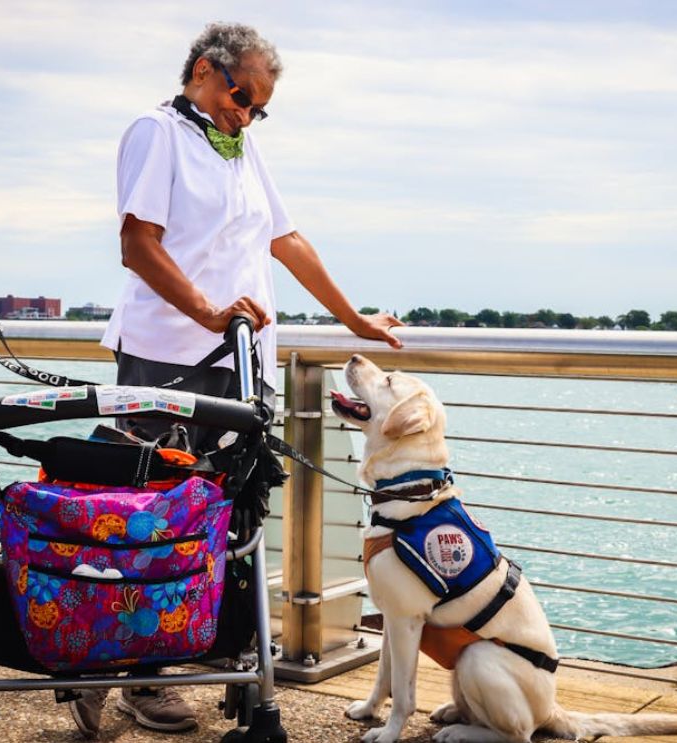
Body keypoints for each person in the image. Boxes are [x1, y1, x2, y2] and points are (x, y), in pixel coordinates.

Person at [68, 22, 404, 738]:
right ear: (201, 70)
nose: (246, 113)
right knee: (145, 520)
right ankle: (123, 674)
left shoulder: (241, 147)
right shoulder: (156, 132)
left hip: (240, 365)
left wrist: (353, 320)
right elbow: (137, 244)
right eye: (240, 96)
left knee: (222, 516)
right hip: (166, 357)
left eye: (259, 107)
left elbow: (283, 238)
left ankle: (205, 656)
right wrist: (209, 311)